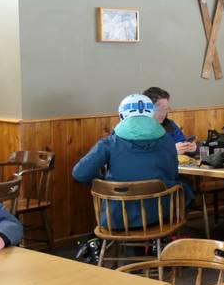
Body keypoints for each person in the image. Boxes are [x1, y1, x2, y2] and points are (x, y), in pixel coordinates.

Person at [72, 94, 192, 228]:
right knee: (184, 186)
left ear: (121, 116)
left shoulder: (108, 143)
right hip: (161, 216)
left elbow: (80, 174)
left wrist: (105, 184)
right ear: (151, 114)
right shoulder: (168, 141)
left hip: (117, 219)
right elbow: (172, 175)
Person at [142, 86, 197, 154]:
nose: (163, 114)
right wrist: (171, 150)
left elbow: (181, 142)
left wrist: (189, 148)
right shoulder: (136, 129)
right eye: (159, 110)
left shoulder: (170, 125)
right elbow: (141, 155)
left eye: (166, 109)